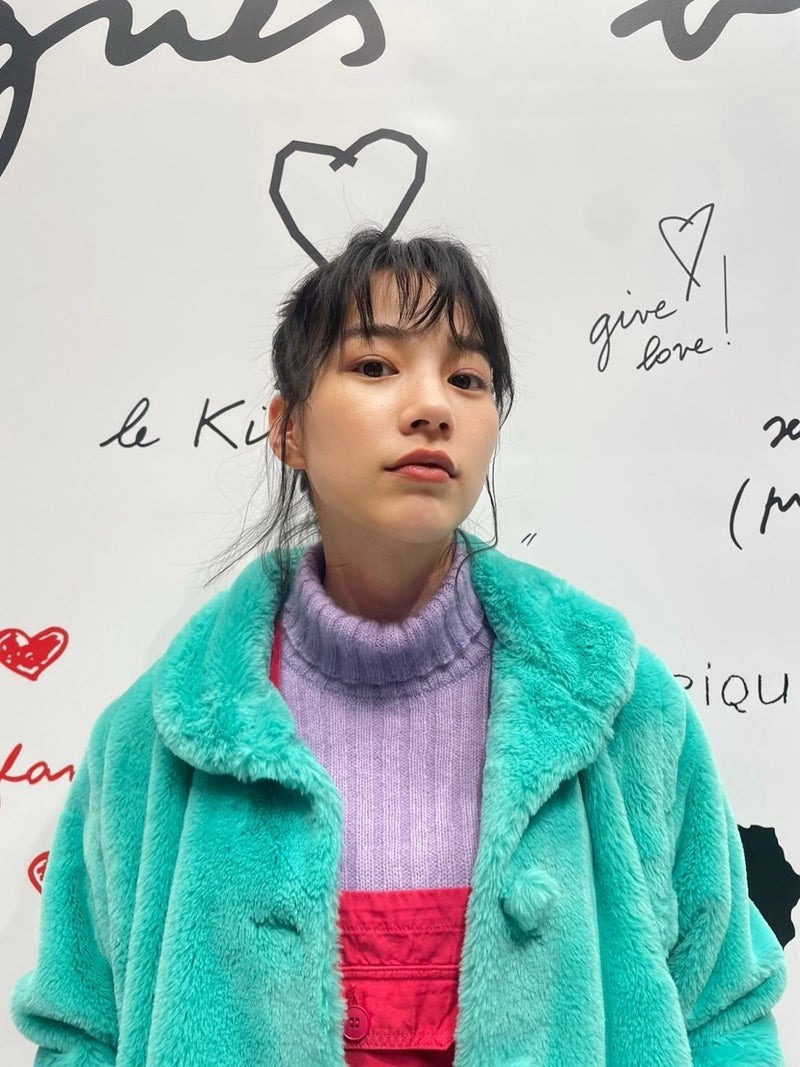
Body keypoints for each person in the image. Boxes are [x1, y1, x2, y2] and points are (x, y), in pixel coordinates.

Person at [10, 229, 787, 1066]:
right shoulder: (156, 741)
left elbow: (723, 1012)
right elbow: (81, 1032)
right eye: (375, 366)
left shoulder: (620, 710)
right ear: (288, 429)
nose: (432, 407)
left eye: (467, 378)